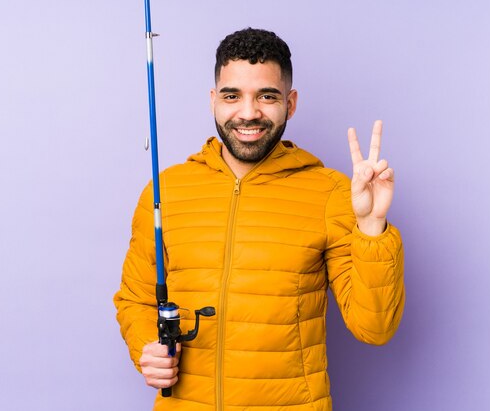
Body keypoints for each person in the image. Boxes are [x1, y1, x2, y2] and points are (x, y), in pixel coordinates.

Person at [114, 27, 405, 410]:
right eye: (232, 96)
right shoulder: (166, 189)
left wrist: (371, 227)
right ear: (213, 100)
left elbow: (375, 327)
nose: (248, 113)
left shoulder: (331, 192)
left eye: (267, 96)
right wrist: (146, 349)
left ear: (291, 102)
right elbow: (135, 299)